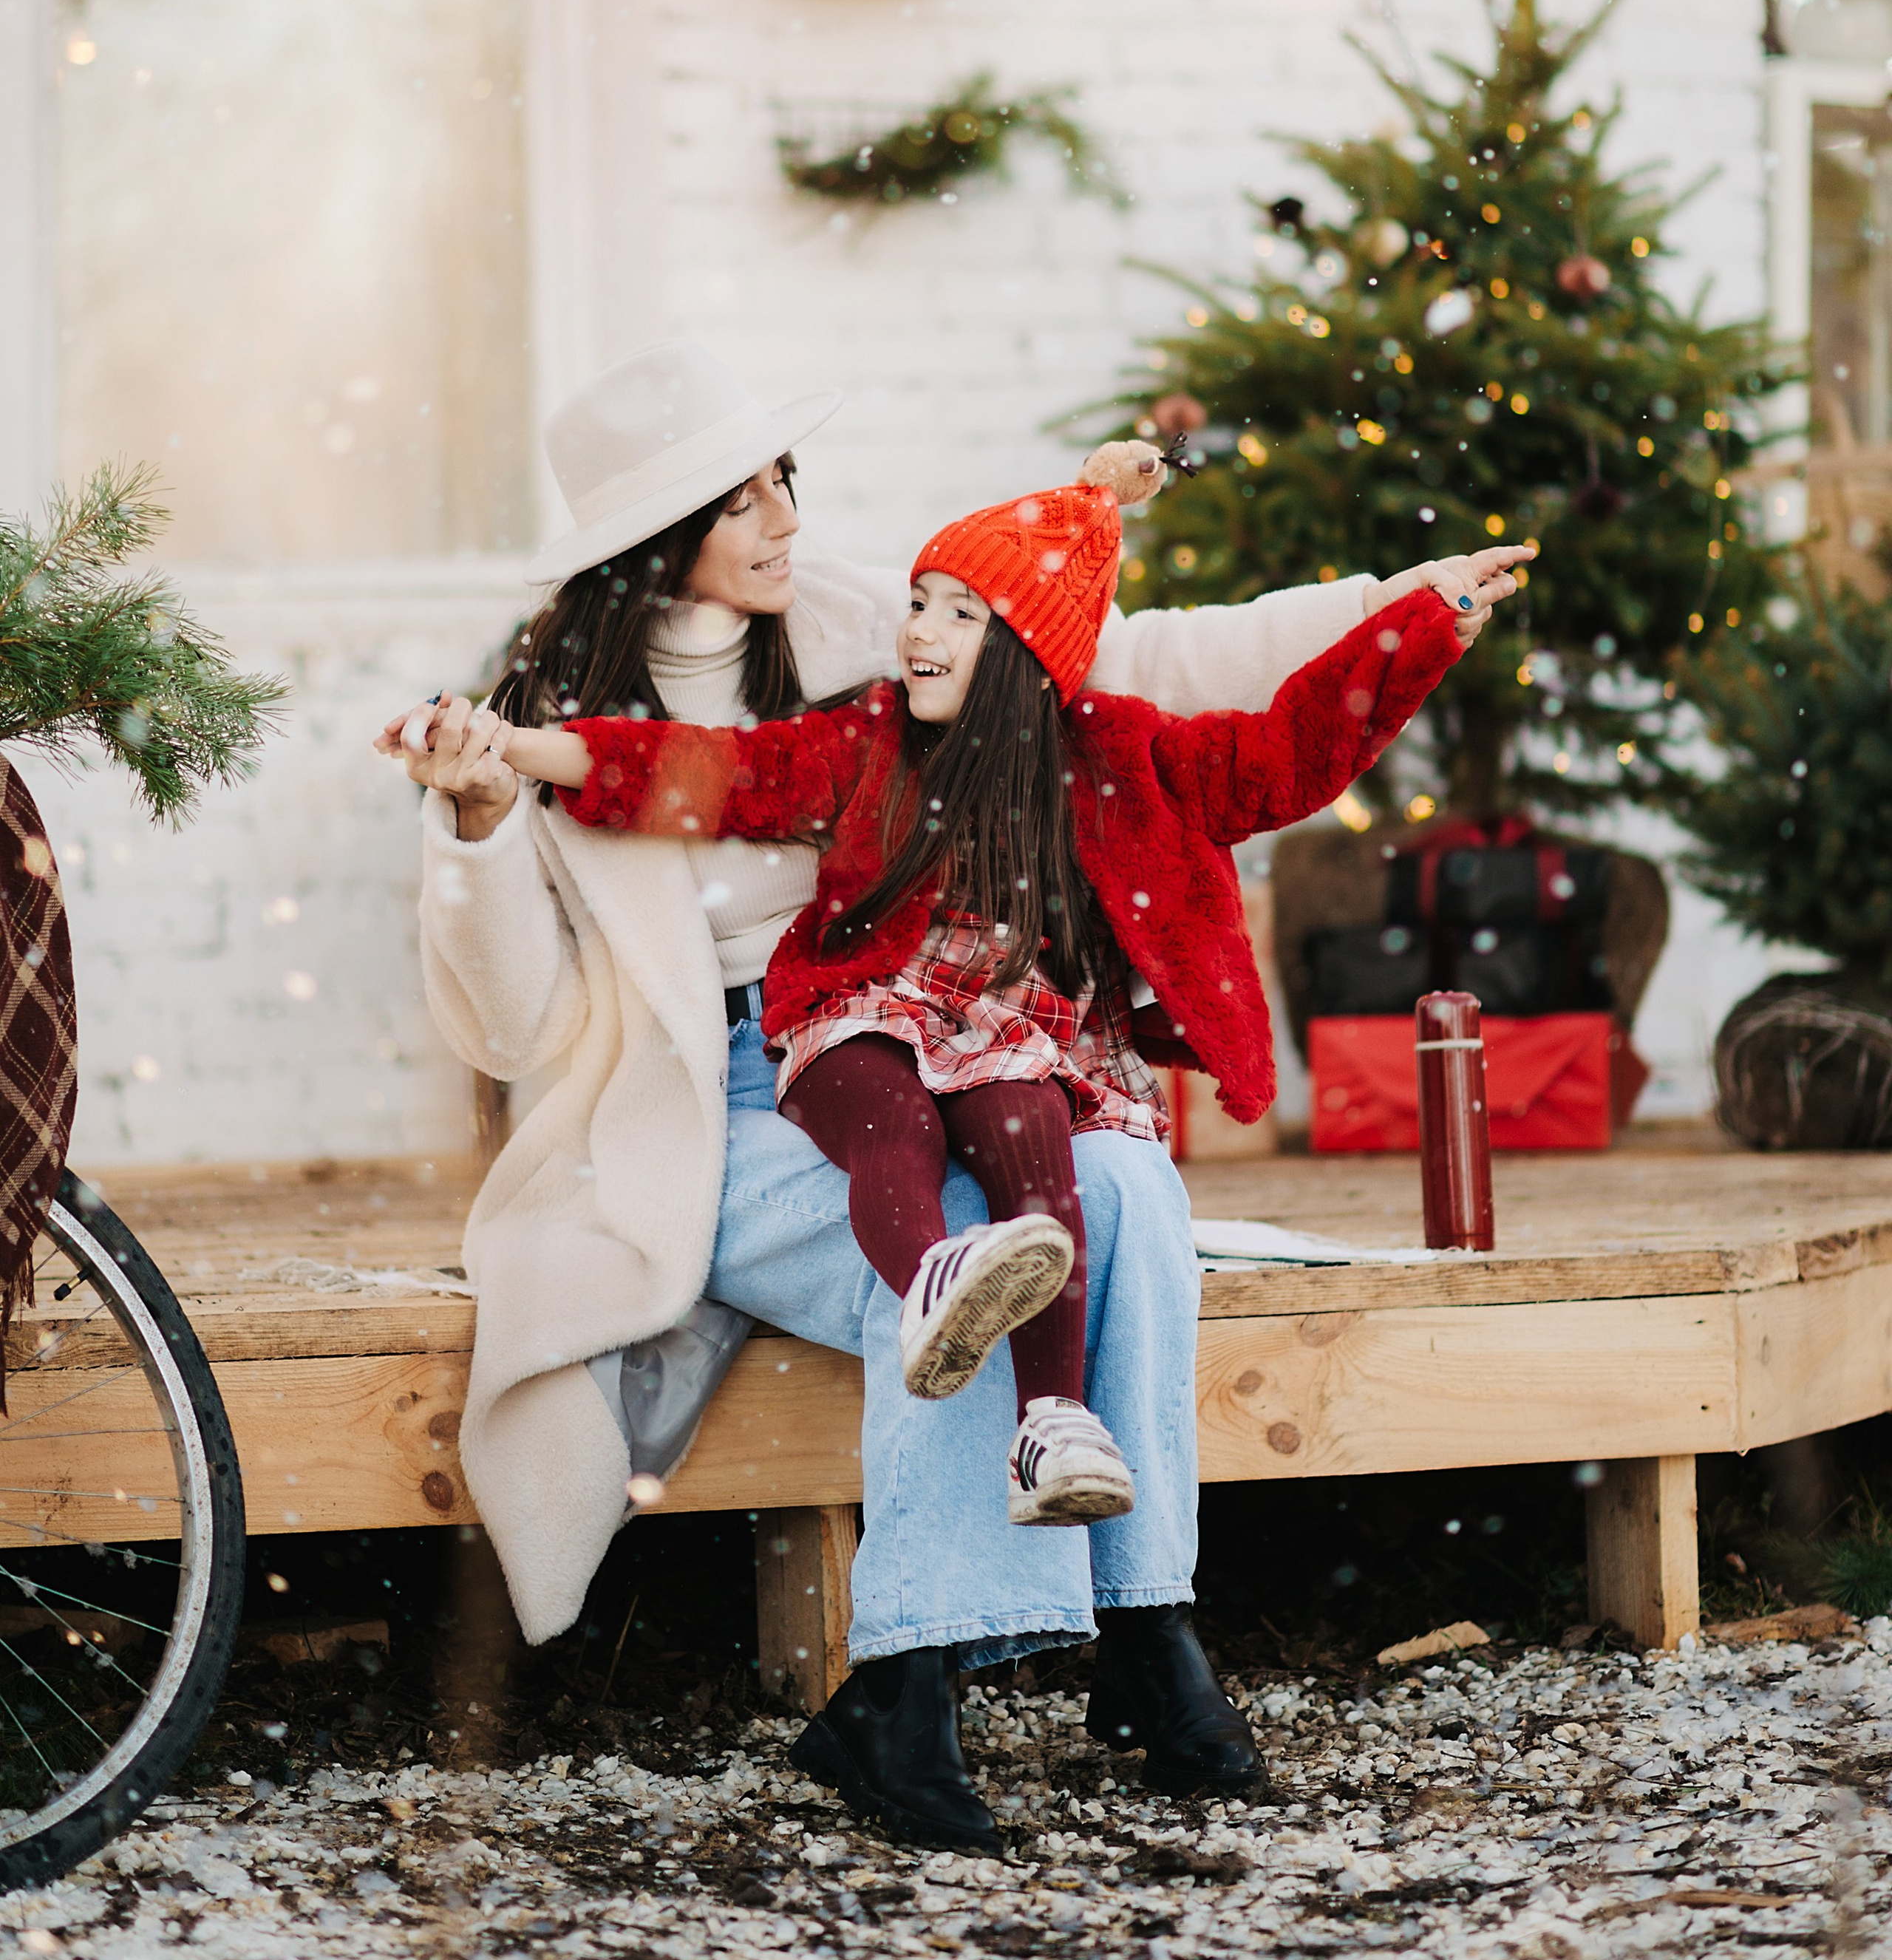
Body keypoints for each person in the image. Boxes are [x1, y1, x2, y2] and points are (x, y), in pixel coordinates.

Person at [380, 338, 1524, 1854]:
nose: (788, 518)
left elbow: (1146, 656)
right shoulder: (545, 724)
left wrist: (1393, 602)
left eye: (786, 480)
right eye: (746, 498)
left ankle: (1145, 1626)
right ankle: (908, 1685)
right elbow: (511, 1019)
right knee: (955, 1251)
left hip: (946, 1038)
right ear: (660, 536)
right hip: (703, 1102)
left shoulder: (865, 622)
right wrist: (477, 822)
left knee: (1124, 1185)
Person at [487, 441, 1463, 1563]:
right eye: (918, 602)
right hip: (859, 1014)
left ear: (1028, 653)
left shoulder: (1112, 755)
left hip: (1011, 1031)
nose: (918, 631)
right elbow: (703, 768)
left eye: (961, 614)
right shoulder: (868, 739)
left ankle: (1052, 1421)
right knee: (893, 1123)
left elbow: (1283, 756)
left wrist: (1418, 629)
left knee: (1034, 1140)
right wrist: (519, 748)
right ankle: (929, 1285)